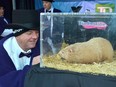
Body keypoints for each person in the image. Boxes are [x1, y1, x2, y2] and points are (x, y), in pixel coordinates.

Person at [0, 10, 40, 87]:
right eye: (29, 33)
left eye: (37, 32)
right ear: (17, 33)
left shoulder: (41, 46)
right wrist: (31, 68)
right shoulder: (2, 53)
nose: (35, 37)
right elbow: (4, 83)